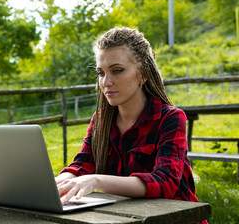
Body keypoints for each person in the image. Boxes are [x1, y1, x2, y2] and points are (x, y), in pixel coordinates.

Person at [56, 27, 207, 224]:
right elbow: (82, 165)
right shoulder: (101, 121)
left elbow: (165, 181)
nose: (106, 82)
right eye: (101, 73)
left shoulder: (170, 118)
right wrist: (52, 184)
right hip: (126, 218)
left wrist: (97, 180)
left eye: (117, 70)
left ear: (143, 74)